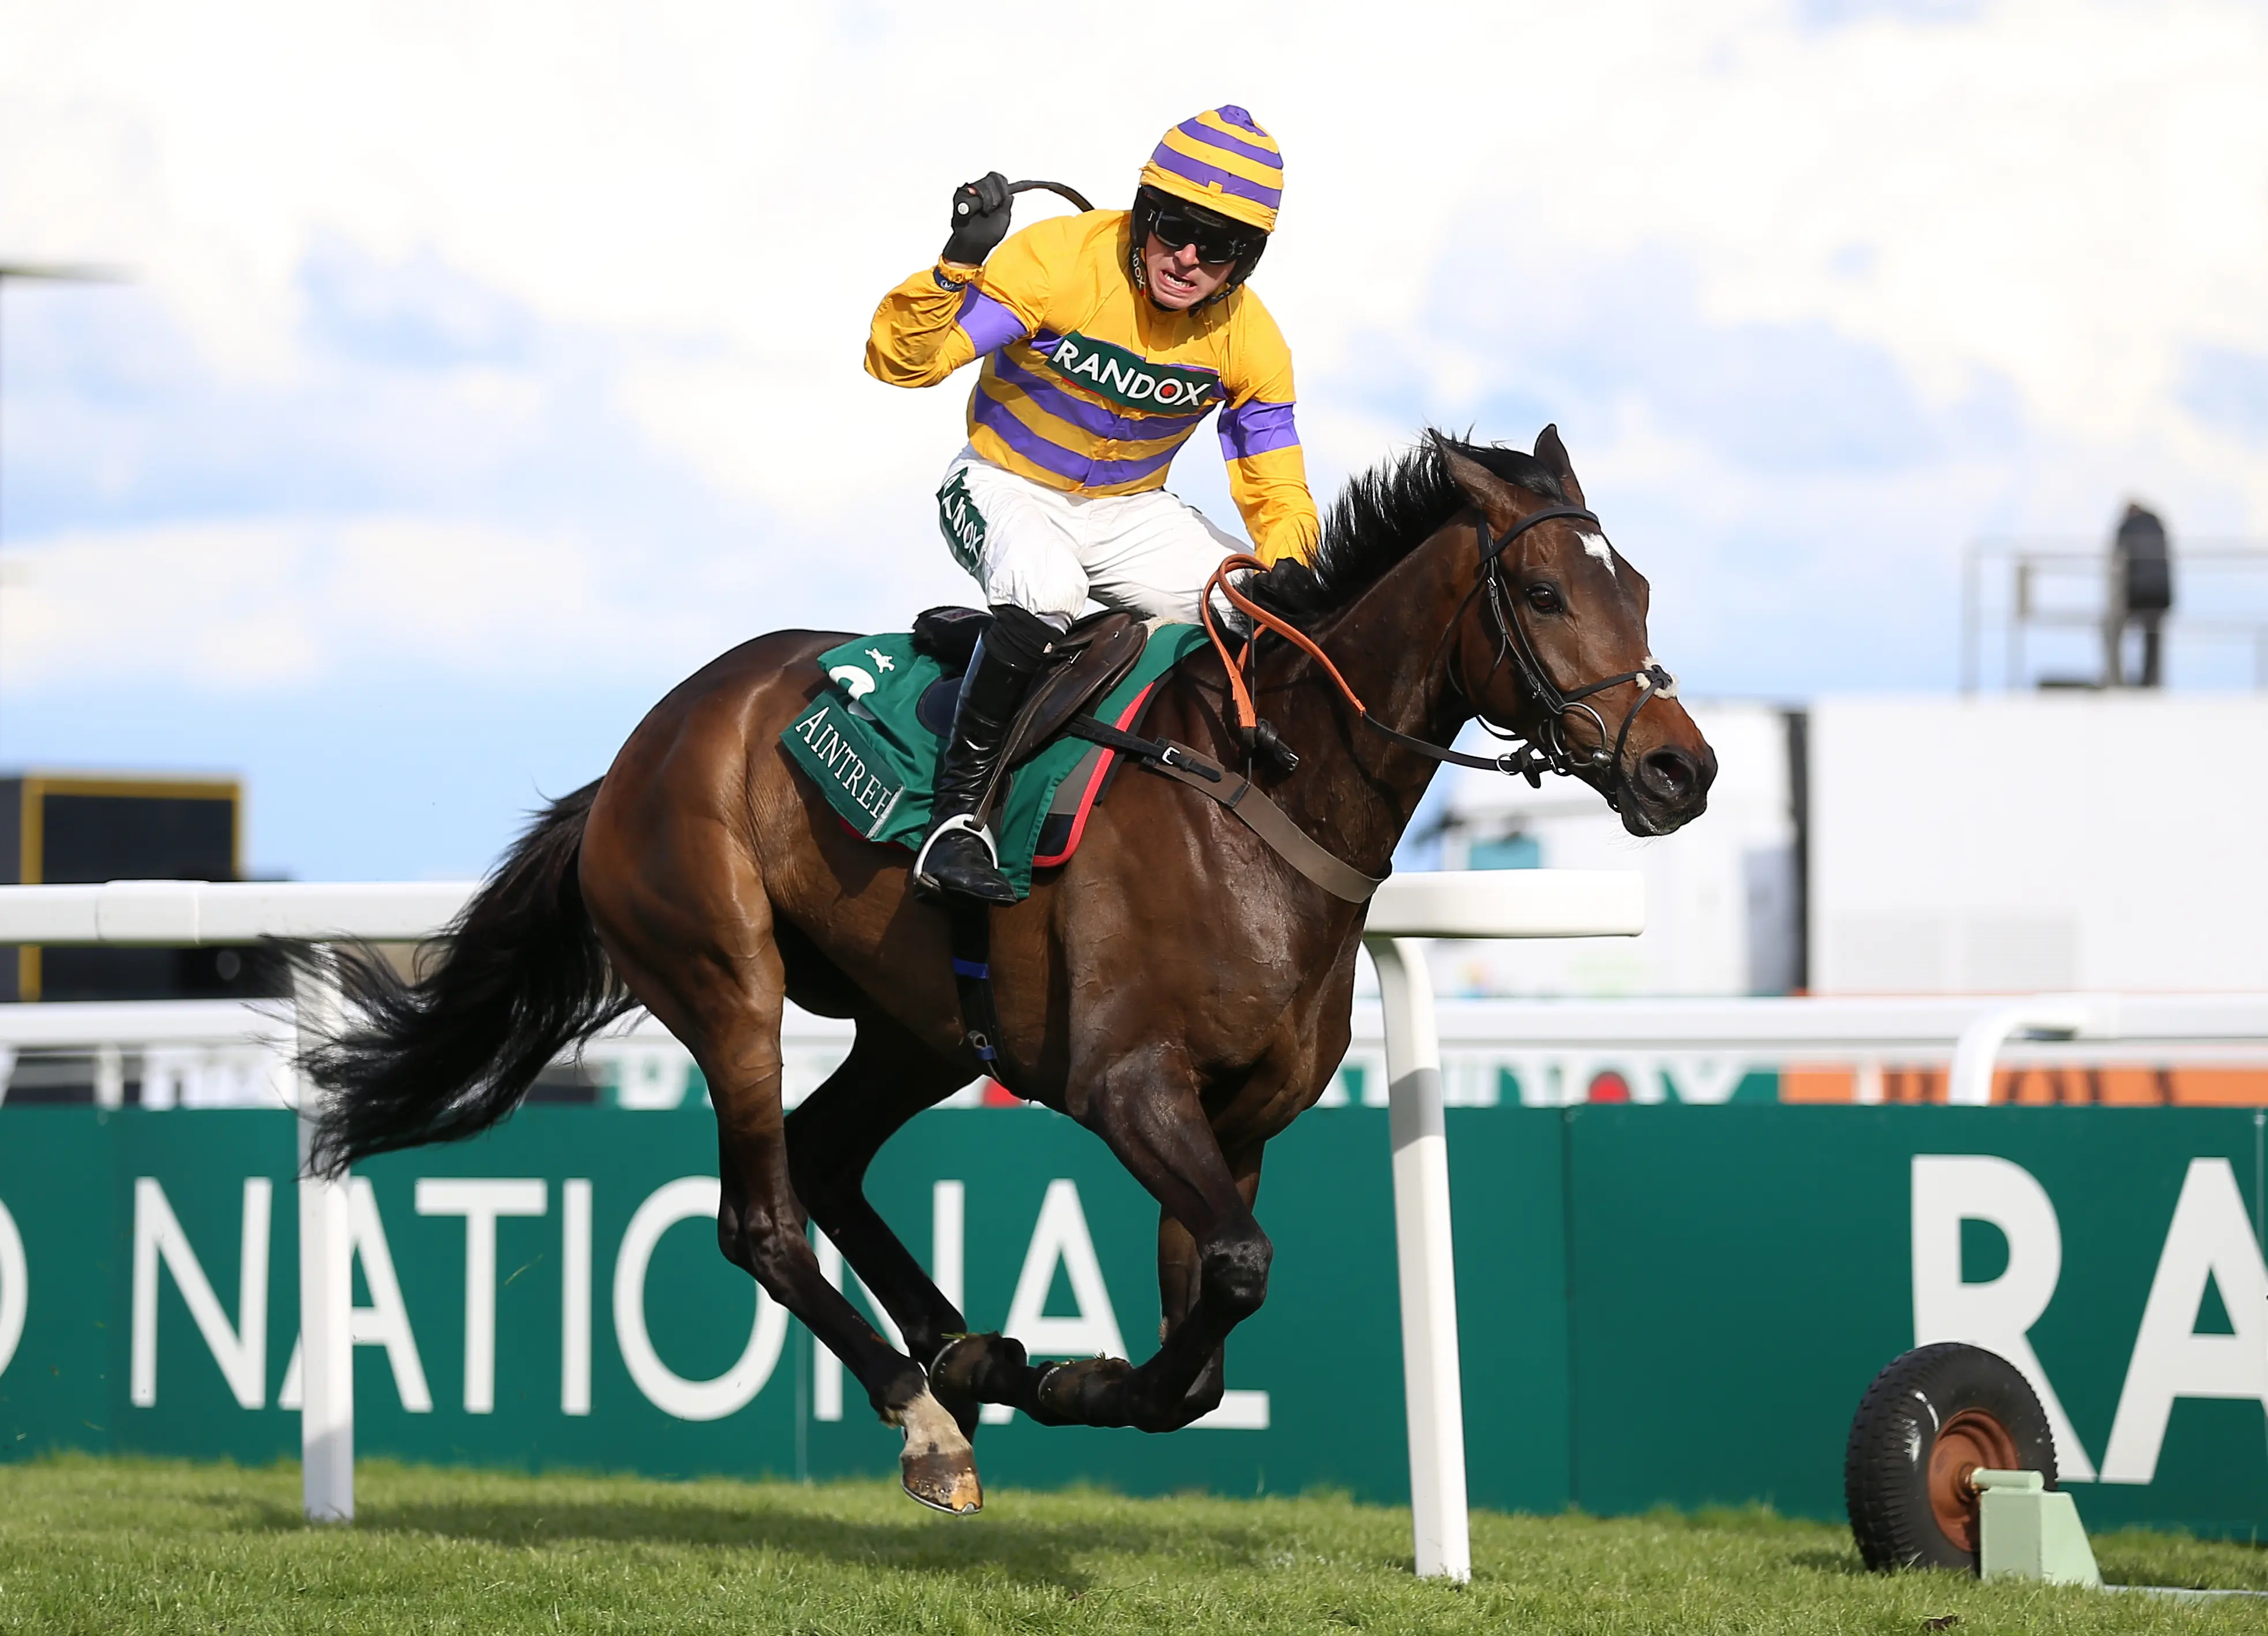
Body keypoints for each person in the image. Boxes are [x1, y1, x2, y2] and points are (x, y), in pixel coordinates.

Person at [866, 106, 1320, 904]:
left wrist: (1292, 567)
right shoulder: (1056, 263)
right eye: (1175, 228)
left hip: (1129, 513)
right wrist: (959, 261)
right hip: (1003, 483)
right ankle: (955, 822)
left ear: (1246, 260)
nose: (1188, 258)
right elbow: (904, 364)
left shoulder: (1252, 342)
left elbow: (1275, 487)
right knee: (1047, 589)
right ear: (1145, 213)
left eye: (1218, 246)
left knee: (1269, 607)